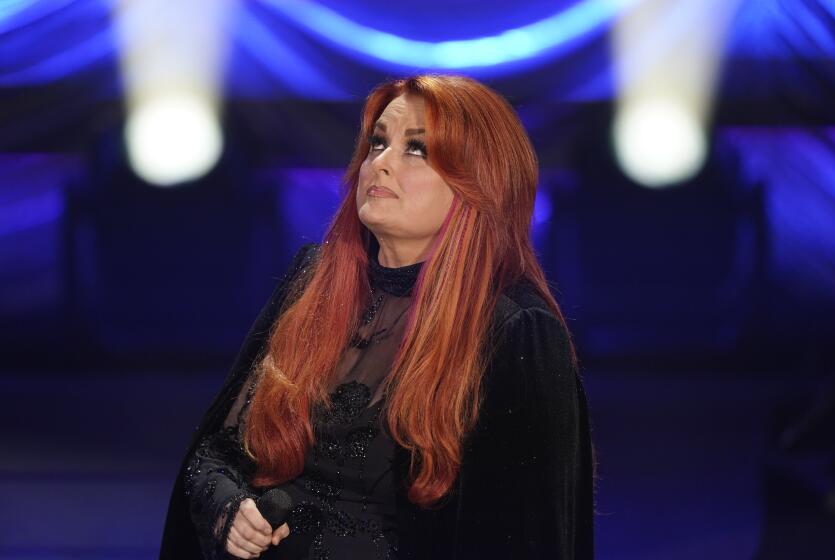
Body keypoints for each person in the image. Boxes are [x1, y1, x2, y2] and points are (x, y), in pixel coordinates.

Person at [160, 73, 596, 559]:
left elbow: (529, 539)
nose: (380, 164)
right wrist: (230, 507)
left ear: (479, 183)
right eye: (377, 144)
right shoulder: (314, 279)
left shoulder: (516, 329)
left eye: (416, 150)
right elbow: (217, 453)